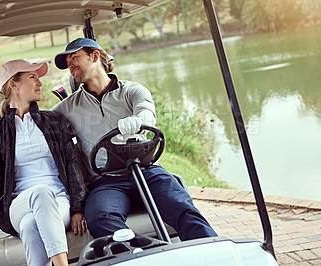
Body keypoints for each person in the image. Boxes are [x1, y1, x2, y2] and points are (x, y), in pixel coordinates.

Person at [51, 38, 218, 240]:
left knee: (183, 208)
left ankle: (215, 253)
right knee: (100, 219)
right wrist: (14, 106)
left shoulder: (132, 91)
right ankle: (151, 254)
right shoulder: (68, 106)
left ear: (94, 56)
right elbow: (40, 122)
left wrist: (138, 121)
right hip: (107, 183)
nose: (70, 65)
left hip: (147, 171)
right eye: (67, 62)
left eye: (74, 57)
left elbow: (147, 113)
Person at [0, 59, 87, 266]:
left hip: (59, 200)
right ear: (13, 85)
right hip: (19, 204)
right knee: (40, 193)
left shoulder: (54, 121)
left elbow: (73, 167)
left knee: (29, 225)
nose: (40, 83)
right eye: (32, 77)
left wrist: (78, 208)